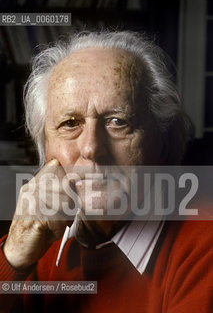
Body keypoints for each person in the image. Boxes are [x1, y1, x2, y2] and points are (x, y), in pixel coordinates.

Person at [0, 31, 213, 313]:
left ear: (162, 140)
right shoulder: (32, 237)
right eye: (69, 123)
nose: (91, 148)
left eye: (118, 121)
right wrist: (12, 258)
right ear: (46, 149)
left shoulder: (204, 246)